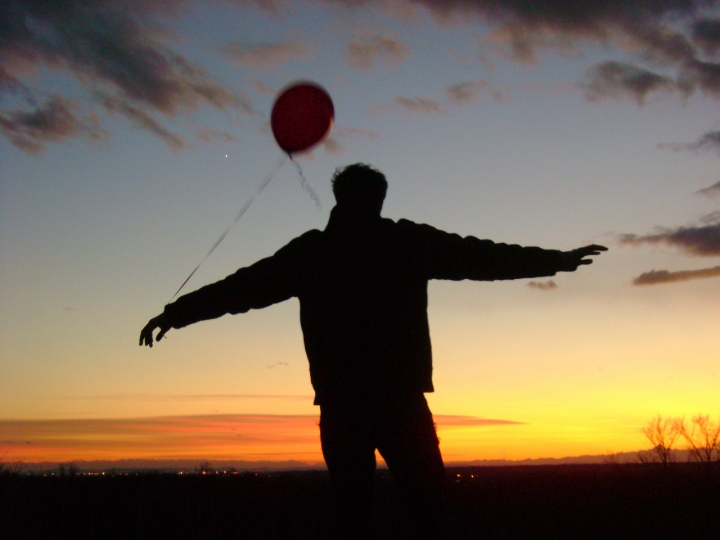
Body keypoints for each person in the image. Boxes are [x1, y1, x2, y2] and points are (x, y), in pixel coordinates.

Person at [140, 163, 606, 539]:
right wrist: (554, 261)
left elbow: (241, 288)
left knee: (361, 513)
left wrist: (175, 314)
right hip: (391, 401)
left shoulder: (319, 252)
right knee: (423, 508)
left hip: (348, 404)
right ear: (374, 199)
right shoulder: (398, 243)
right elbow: (480, 257)